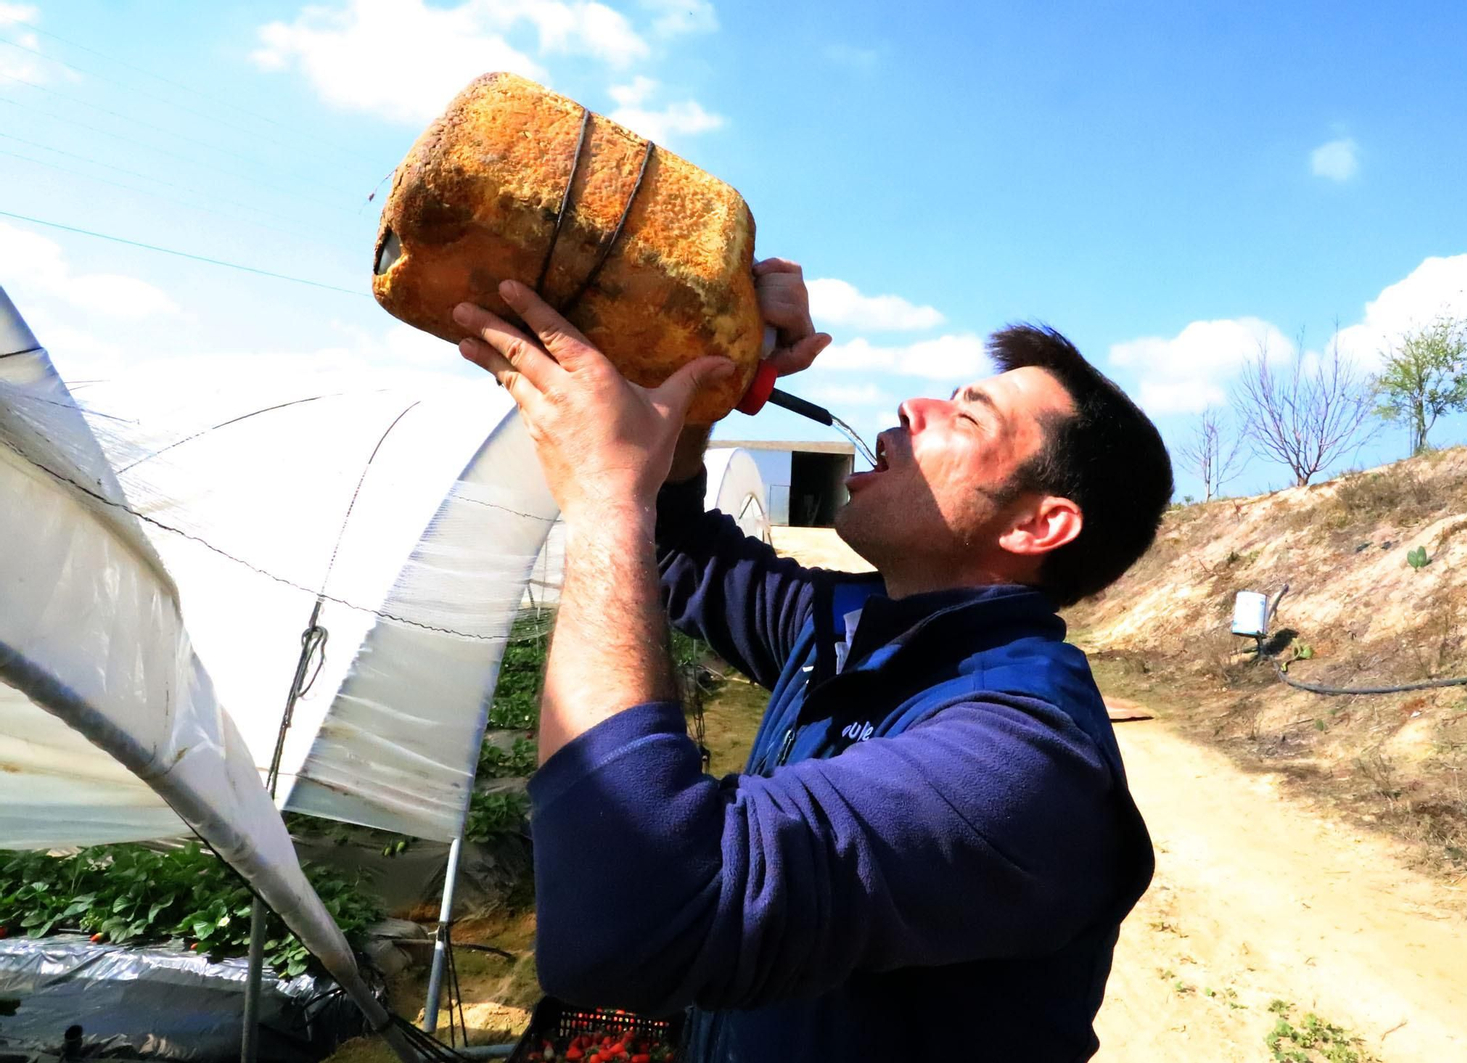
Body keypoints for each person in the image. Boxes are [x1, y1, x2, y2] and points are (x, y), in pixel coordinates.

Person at [451, 258, 1173, 1062]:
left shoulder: (1022, 761)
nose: (914, 406)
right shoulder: (852, 619)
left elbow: (633, 920)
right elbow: (680, 545)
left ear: (1036, 526)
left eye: (968, 418)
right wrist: (719, 370)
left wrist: (603, 496)